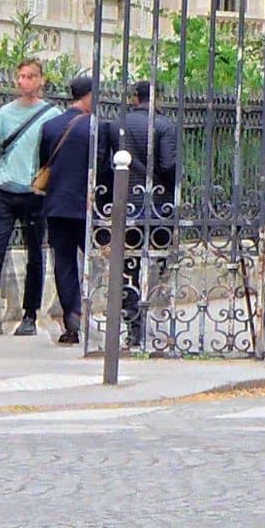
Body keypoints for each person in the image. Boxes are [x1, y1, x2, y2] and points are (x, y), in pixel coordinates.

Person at [0, 60, 61, 337]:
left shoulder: (52, 114)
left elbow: (56, 153)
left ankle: (29, 315)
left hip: (34, 192)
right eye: (21, 77)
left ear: (41, 80)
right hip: (5, 192)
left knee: (35, 254)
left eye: (30, 77)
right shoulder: (3, 115)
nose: (25, 82)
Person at [105, 79, 183, 350]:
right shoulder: (164, 125)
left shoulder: (117, 125)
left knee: (129, 266)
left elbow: (107, 164)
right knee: (160, 260)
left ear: (135, 98)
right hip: (159, 204)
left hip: (126, 203)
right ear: (156, 98)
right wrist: (175, 187)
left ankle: (133, 327)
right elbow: (168, 164)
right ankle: (157, 311)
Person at [37, 75, 102, 347]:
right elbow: (105, 168)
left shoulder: (51, 126)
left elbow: (44, 163)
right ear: (88, 96)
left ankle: (72, 320)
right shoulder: (96, 127)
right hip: (88, 206)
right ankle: (111, 314)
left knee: (63, 264)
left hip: (57, 206)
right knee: (97, 260)